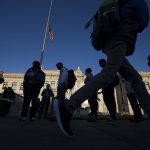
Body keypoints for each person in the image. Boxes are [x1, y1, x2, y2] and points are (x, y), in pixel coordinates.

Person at [53, 0, 150, 136]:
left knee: (136, 78)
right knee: (108, 75)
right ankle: (68, 107)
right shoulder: (136, 1)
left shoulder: (113, 3)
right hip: (120, 39)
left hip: (108, 42)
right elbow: (143, 22)